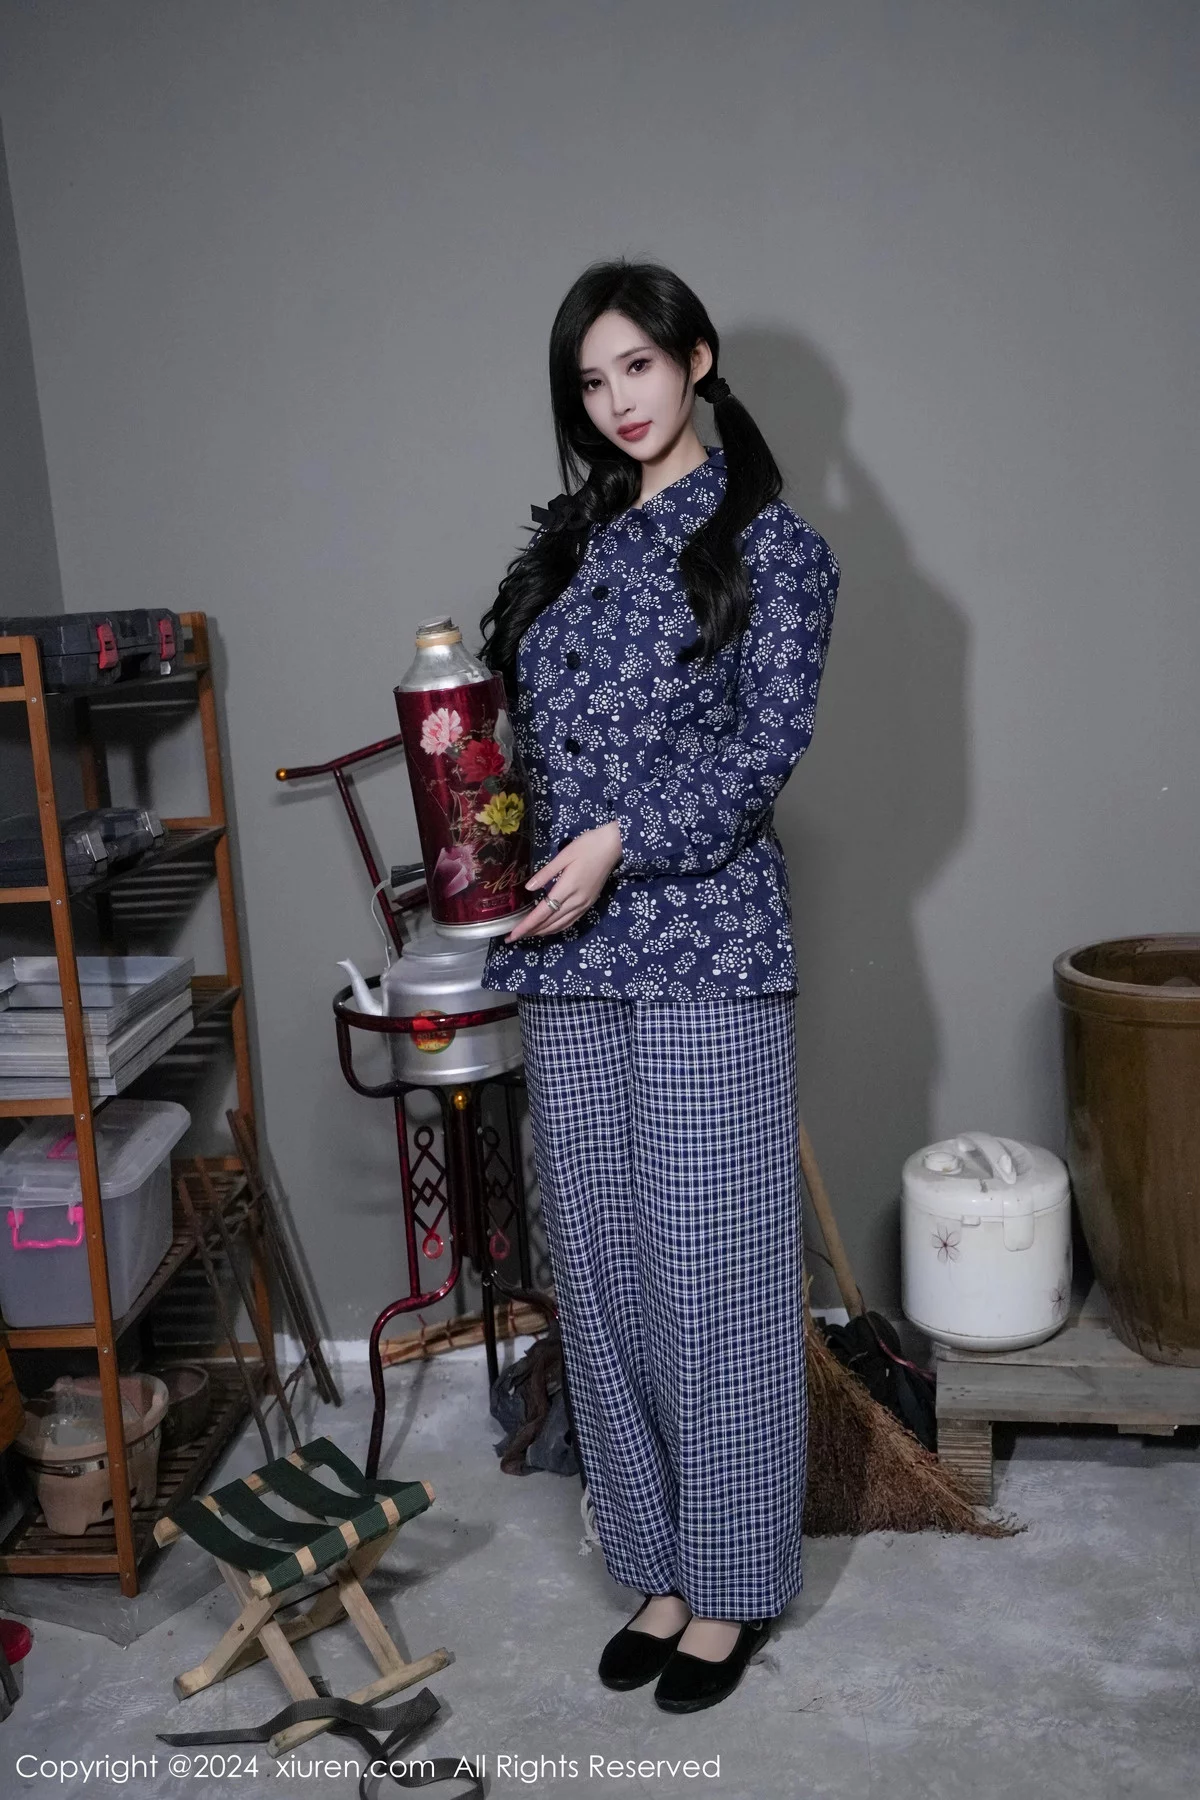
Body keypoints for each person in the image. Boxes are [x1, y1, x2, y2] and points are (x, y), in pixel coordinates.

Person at [478, 260, 840, 1713]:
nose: (618, 400)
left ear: (696, 359)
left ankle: (734, 1586)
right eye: (592, 380)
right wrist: (499, 837)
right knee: (605, 1273)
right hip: (568, 954)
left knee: (718, 1278)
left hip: (706, 948)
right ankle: (657, 1566)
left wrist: (622, 840)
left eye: (638, 365)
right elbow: (541, 748)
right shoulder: (571, 546)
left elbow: (762, 754)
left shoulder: (775, 547)